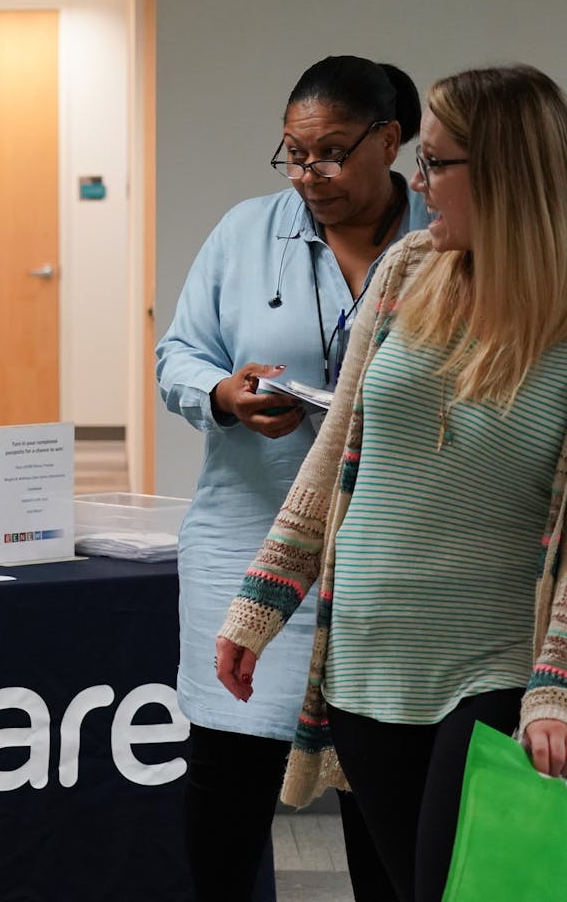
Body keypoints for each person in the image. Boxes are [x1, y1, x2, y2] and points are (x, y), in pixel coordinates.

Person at [216, 63, 567, 902]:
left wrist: (555, 681)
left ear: (508, 172)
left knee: (476, 889)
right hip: (367, 662)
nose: (418, 181)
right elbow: (333, 455)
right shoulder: (409, 269)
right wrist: (260, 602)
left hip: (490, 667)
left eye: (438, 163)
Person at [156, 56, 428, 901]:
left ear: (390, 141)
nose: (310, 175)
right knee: (229, 789)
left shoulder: (444, 241)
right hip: (247, 539)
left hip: (385, 557)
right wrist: (226, 395)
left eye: (333, 153)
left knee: (379, 792)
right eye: (294, 154)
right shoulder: (245, 233)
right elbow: (179, 357)